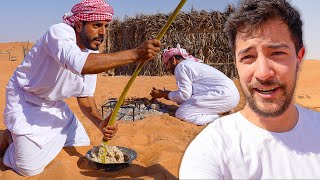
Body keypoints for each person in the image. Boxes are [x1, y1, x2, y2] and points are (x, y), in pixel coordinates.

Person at [0, 0, 161, 176]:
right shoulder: (58, 33)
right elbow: (80, 64)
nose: (102, 32)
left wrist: (100, 123)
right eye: (97, 25)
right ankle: (8, 137)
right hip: (26, 101)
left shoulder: (93, 54)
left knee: (82, 145)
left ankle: (33, 139)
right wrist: (135, 54)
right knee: (27, 168)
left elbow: (85, 97)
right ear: (78, 25)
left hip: (54, 105)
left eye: (106, 26)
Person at [179, 0, 320, 179]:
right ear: (236, 65)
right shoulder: (212, 149)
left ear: (299, 58)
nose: (262, 73)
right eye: (248, 57)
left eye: (277, 53)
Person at [150, 44, 240, 125]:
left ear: (173, 59)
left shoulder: (181, 67)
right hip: (232, 96)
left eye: (166, 64)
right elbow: (190, 94)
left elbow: (184, 95)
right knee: (187, 105)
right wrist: (166, 94)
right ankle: (225, 112)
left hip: (222, 95)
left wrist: (163, 94)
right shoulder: (190, 64)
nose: (167, 68)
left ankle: (221, 119)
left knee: (182, 113)